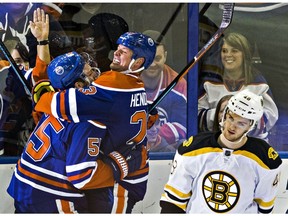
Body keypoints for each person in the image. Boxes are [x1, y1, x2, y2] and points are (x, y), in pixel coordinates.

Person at [32, 31, 157, 213]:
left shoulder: (113, 84)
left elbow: (56, 104)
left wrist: (41, 95)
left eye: (124, 51)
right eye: (118, 48)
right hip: (118, 174)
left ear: (138, 62)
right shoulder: (134, 84)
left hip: (120, 181)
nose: (116, 53)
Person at [160, 89, 282, 213]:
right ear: (223, 115)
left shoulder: (265, 160)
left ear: (250, 126)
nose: (232, 126)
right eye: (230, 118)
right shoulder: (193, 149)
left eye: (241, 123)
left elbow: (264, 208)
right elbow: (173, 202)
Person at [198, 32, 278, 141]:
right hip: (215, 144)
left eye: (234, 51)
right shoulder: (210, 81)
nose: (228, 55)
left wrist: (240, 119)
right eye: (224, 51)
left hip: (252, 145)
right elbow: (196, 115)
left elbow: (270, 117)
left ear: (244, 54)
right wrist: (221, 115)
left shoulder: (258, 82)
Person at [141, 30, 187, 152]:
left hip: (163, 148)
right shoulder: (127, 81)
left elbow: (183, 125)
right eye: (148, 59)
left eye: (157, 58)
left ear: (165, 56)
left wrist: (153, 137)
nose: (152, 64)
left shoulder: (178, 83)